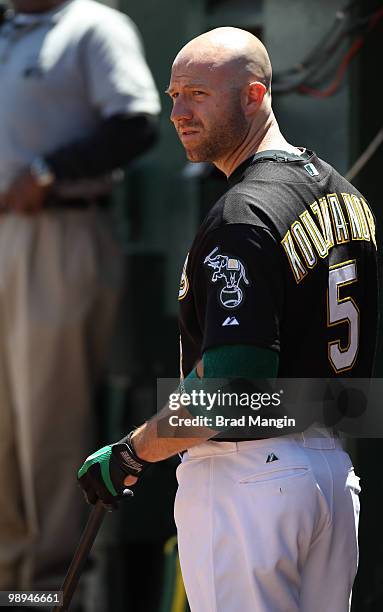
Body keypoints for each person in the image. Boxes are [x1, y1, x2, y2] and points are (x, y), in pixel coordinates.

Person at [78, 27, 378, 612]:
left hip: (250, 481)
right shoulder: (344, 196)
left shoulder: (243, 213)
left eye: (197, 94)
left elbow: (233, 391)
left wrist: (133, 451)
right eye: (172, 96)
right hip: (330, 476)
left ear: (255, 95)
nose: (179, 112)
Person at [0, 0, 160, 596]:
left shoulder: (92, 25)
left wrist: (47, 170)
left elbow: (136, 121)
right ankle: (11, 581)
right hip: (7, 234)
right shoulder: (10, 28)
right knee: (6, 425)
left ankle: (49, 589)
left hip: (60, 228)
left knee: (49, 417)